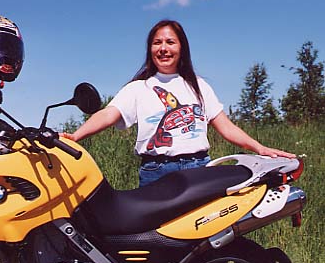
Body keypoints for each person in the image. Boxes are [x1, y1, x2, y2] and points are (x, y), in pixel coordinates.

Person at [61, 19, 295, 187]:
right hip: (156, 172)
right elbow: (108, 114)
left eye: (170, 42)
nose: (163, 48)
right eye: (157, 43)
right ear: (150, 49)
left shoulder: (199, 86)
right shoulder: (137, 88)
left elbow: (227, 127)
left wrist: (261, 149)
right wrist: (75, 136)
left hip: (199, 169)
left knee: (203, 242)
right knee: (157, 244)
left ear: (181, 48)